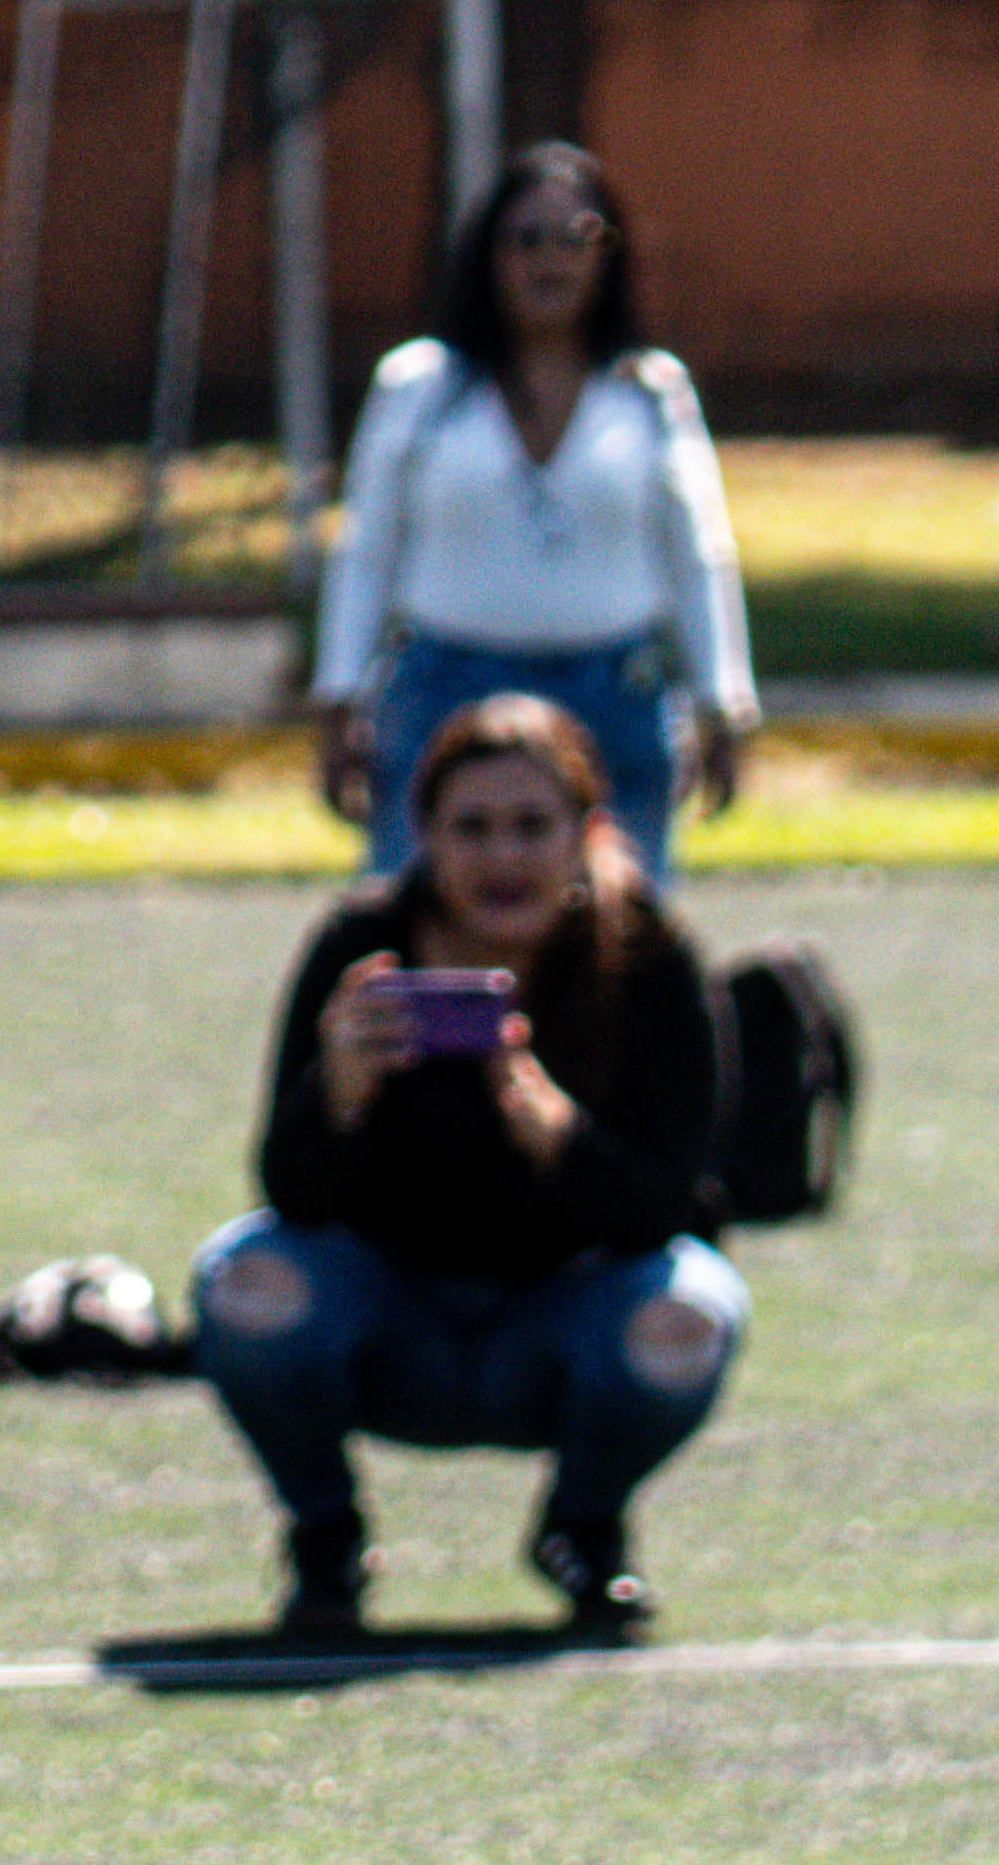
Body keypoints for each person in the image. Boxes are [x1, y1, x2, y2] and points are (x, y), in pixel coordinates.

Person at [193, 691, 741, 1643]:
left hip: (568, 1332)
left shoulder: (651, 959)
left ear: (589, 832)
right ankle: (326, 1535)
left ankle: (584, 1526)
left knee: (693, 1309)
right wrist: (342, 1090)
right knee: (242, 1279)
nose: (503, 857)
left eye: (534, 826)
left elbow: (669, 1208)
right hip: (386, 1324)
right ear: (424, 836)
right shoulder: (360, 947)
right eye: (472, 828)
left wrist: (548, 1122)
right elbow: (285, 1195)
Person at [310, 146, 756, 883]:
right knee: (425, 929)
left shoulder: (649, 389)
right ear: (486, 254)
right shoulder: (422, 388)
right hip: (440, 692)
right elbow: (366, 550)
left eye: (578, 237)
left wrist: (723, 701)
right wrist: (339, 696)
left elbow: (699, 551)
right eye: (526, 239)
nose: (551, 260)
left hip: (617, 691)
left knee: (622, 940)